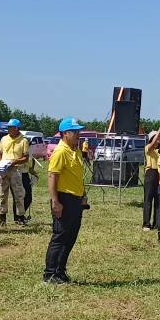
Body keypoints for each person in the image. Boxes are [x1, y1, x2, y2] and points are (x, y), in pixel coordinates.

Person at [44, 118, 88, 283]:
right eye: (74, 131)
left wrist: (83, 194)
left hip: (76, 199)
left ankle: (60, 271)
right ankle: (50, 274)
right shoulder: (61, 152)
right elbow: (52, 176)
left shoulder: (76, 151)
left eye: (78, 131)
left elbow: (76, 176)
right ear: (64, 133)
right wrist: (55, 201)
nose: (78, 134)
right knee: (60, 236)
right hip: (64, 198)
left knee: (71, 237)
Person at [0, 118, 30, 226]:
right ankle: (2, 217)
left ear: (16, 128)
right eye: (8, 127)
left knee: (19, 194)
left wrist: (15, 161)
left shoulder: (23, 141)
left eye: (10, 127)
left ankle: (20, 217)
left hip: (15, 169)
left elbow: (26, 158)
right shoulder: (4, 139)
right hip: (4, 169)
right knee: (3, 193)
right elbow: (0, 153)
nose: (8, 129)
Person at [142, 124, 160, 230]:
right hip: (150, 174)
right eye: (157, 138)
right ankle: (146, 224)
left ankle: (157, 223)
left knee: (159, 200)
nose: (159, 140)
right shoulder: (148, 148)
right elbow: (152, 144)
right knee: (148, 199)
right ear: (152, 139)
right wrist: (159, 130)